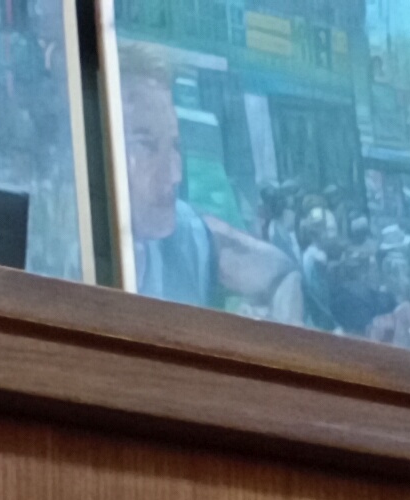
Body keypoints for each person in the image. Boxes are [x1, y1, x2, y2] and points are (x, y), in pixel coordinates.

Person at [115, 47, 296, 319]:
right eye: (146, 145)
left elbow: (282, 274)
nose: (174, 174)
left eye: (175, 145)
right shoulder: (62, 255)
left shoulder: (187, 238)